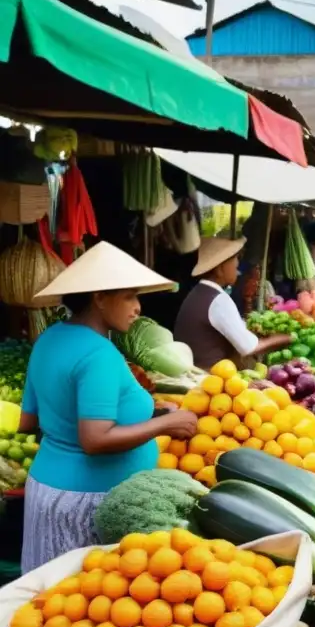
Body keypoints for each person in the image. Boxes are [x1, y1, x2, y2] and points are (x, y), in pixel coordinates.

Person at [19, 242, 200, 572]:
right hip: (84, 504)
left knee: (45, 601)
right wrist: (165, 425)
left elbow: (28, 420)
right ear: (99, 298)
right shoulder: (98, 354)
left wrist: (151, 412)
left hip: (46, 491)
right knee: (81, 606)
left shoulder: (49, 338)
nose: (138, 307)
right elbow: (95, 439)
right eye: (129, 296)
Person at [175, 237, 294, 371]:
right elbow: (248, 347)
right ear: (220, 269)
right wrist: (285, 338)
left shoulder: (198, 293)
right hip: (209, 378)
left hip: (194, 372)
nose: (238, 271)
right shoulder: (218, 300)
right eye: (235, 264)